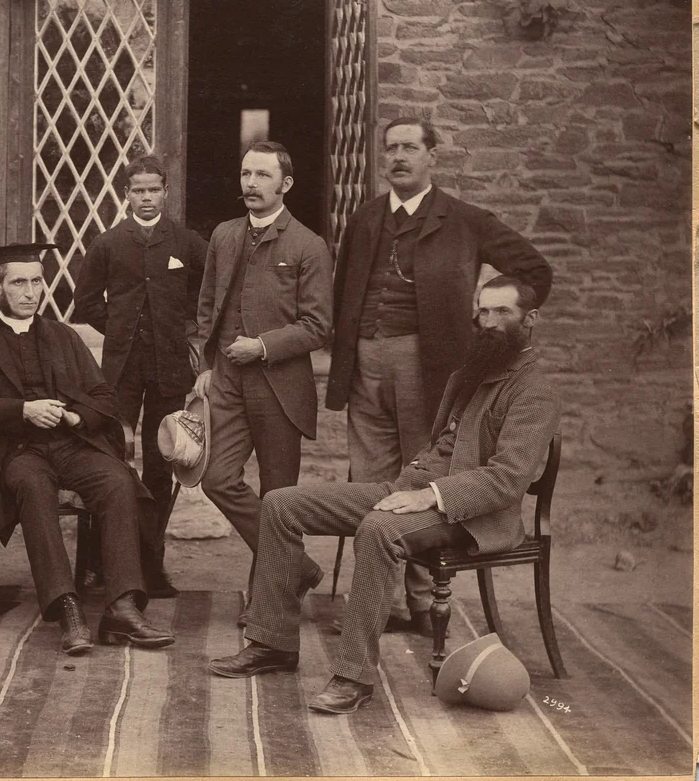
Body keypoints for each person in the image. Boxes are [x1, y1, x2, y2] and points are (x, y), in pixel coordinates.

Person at [209, 276, 561, 716]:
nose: (488, 322)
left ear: (530, 319)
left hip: (473, 516)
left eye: (502, 312)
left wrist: (431, 495)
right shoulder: (470, 373)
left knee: (379, 528)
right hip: (411, 490)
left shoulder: (534, 391)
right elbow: (441, 446)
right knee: (281, 503)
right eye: (483, 311)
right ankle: (272, 643)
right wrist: (415, 486)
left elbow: (507, 478)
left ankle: (353, 676)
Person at [325, 117, 553, 636]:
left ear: (432, 157)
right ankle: (377, 604)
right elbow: (344, 293)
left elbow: (535, 271)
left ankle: (424, 601)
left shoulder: (466, 219)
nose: (398, 157)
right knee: (370, 479)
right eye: (391, 149)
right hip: (365, 361)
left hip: (428, 366)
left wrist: (490, 321)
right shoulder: (364, 218)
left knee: (424, 474)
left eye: (410, 147)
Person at [0, 243, 174, 655]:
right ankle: (67, 607)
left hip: (71, 444)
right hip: (17, 451)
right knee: (33, 487)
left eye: (36, 282)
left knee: (117, 480)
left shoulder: (63, 336)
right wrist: (22, 410)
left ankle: (121, 607)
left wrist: (76, 417)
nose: (30, 292)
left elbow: (104, 395)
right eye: (18, 283)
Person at [193, 141, 334, 582]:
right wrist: (205, 366)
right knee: (216, 479)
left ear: (285, 184)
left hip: (280, 386)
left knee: (278, 497)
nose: (251, 184)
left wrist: (262, 346)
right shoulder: (224, 235)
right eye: (246, 174)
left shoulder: (308, 245)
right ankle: (298, 567)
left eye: (262, 175)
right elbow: (207, 307)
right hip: (228, 381)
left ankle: (268, 598)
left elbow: (318, 326)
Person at [73, 154, 208, 595]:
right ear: (126, 195)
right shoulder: (109, 243)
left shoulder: (185, 242)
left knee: (160, 462)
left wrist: (183, 325)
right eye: (138, 191)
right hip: (122, 369)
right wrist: (120, 329)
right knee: (112, 460)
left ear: (166, 192)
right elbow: (86, 301)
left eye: (153, 190)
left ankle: (151, 565)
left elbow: (208, 291)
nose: (146, 198)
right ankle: (98, 562)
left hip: (170, 367)